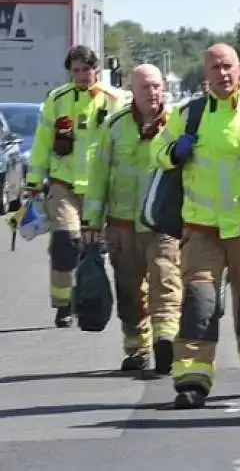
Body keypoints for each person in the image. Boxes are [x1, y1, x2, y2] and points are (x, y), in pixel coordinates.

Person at [151, 43, 240, 409]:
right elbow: (156, 152)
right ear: (206, 73)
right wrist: (173, 152)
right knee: (199, 304)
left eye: (228, 66)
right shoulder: (189, 114)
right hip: (201, 231)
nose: (222, 74)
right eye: (215, 68)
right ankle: (193, 379)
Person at [82, 64, 182, 375]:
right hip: (122, 224)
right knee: (129, 289)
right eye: (145, 87)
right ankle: (137, 348)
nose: (153, 92)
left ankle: (166, 339)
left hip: (163, 224)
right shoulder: (115, 127)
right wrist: (91, 222)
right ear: (132, 91)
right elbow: (98, 176)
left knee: (166, 279)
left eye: (157, 86)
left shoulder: (178, 125)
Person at [26, 45, 123, 328]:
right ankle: (62, 303)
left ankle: (91, 301)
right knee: (65, 242)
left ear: (96, 69)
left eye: (86, 70)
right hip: (64, 184)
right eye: (76, 71)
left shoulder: (115, 100)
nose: (81, 76)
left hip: (99, 188)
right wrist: (34, 181)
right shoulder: (57, 100)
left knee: (92, 249)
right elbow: (43, 142)